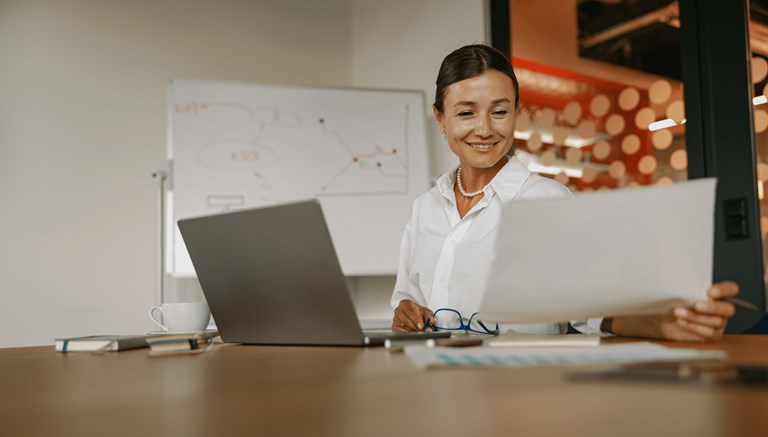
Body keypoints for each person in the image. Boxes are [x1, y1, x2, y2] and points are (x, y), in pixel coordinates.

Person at [390, 44, 739, 342]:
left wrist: (661, 323)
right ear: (440, 119)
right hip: (433, 384)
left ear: (515, 114)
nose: (484, 129)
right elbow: (407, 299)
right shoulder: (425, 209)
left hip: (522, 396)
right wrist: (406, 312)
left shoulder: (546, 201)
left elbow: (593, 310)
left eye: (499, 112)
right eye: (466, 113)